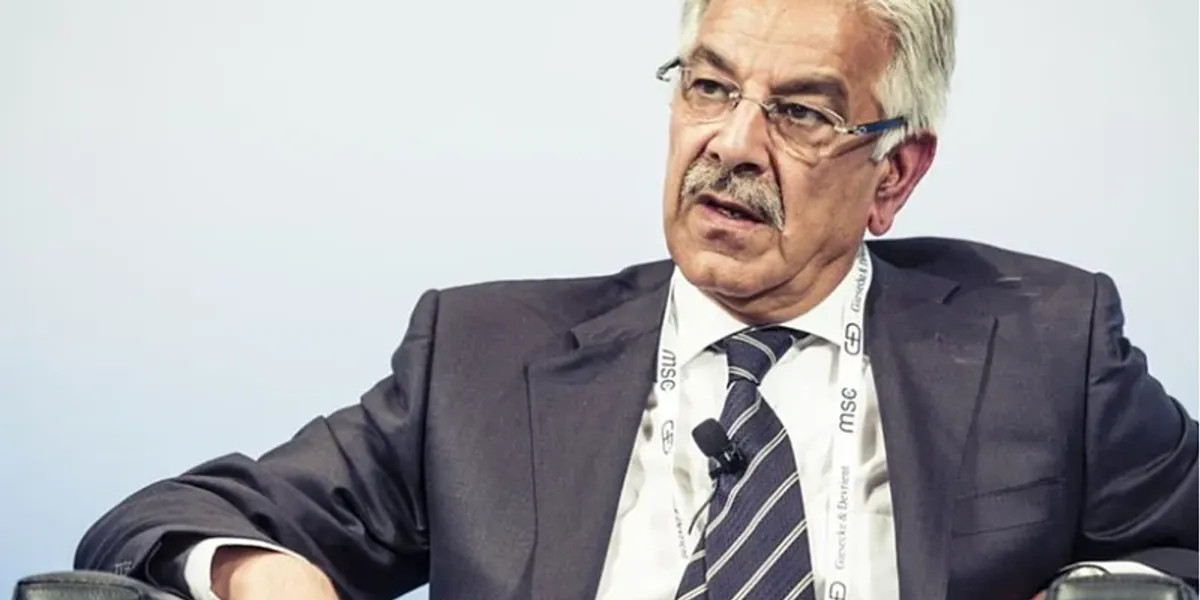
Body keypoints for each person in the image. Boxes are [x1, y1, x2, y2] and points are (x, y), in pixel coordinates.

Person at [74, 0, 1198, 598]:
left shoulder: (1042, 342)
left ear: (894, 175)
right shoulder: (482, 359)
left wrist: (1108, 595)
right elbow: (165, 521)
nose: (732, 144)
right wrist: (258, 577)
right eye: (709, 87)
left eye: (801, 112)